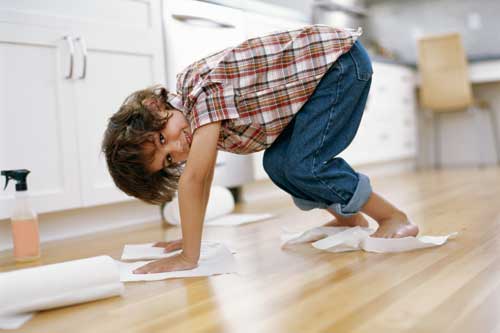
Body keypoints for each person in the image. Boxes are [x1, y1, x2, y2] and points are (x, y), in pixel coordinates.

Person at [102, 25, 418, 274]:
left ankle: (393, 217)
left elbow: (197, 178)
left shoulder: (199, 93)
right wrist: (189, 238)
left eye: (161, 138)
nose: (176, 146)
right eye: (169, 158)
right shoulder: (197, 120)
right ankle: (350, 219)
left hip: (339, 65)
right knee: (278, 163)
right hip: (323, 79)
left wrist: (189, 255)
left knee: (302, 165)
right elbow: (203, 177)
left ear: (155, 105)